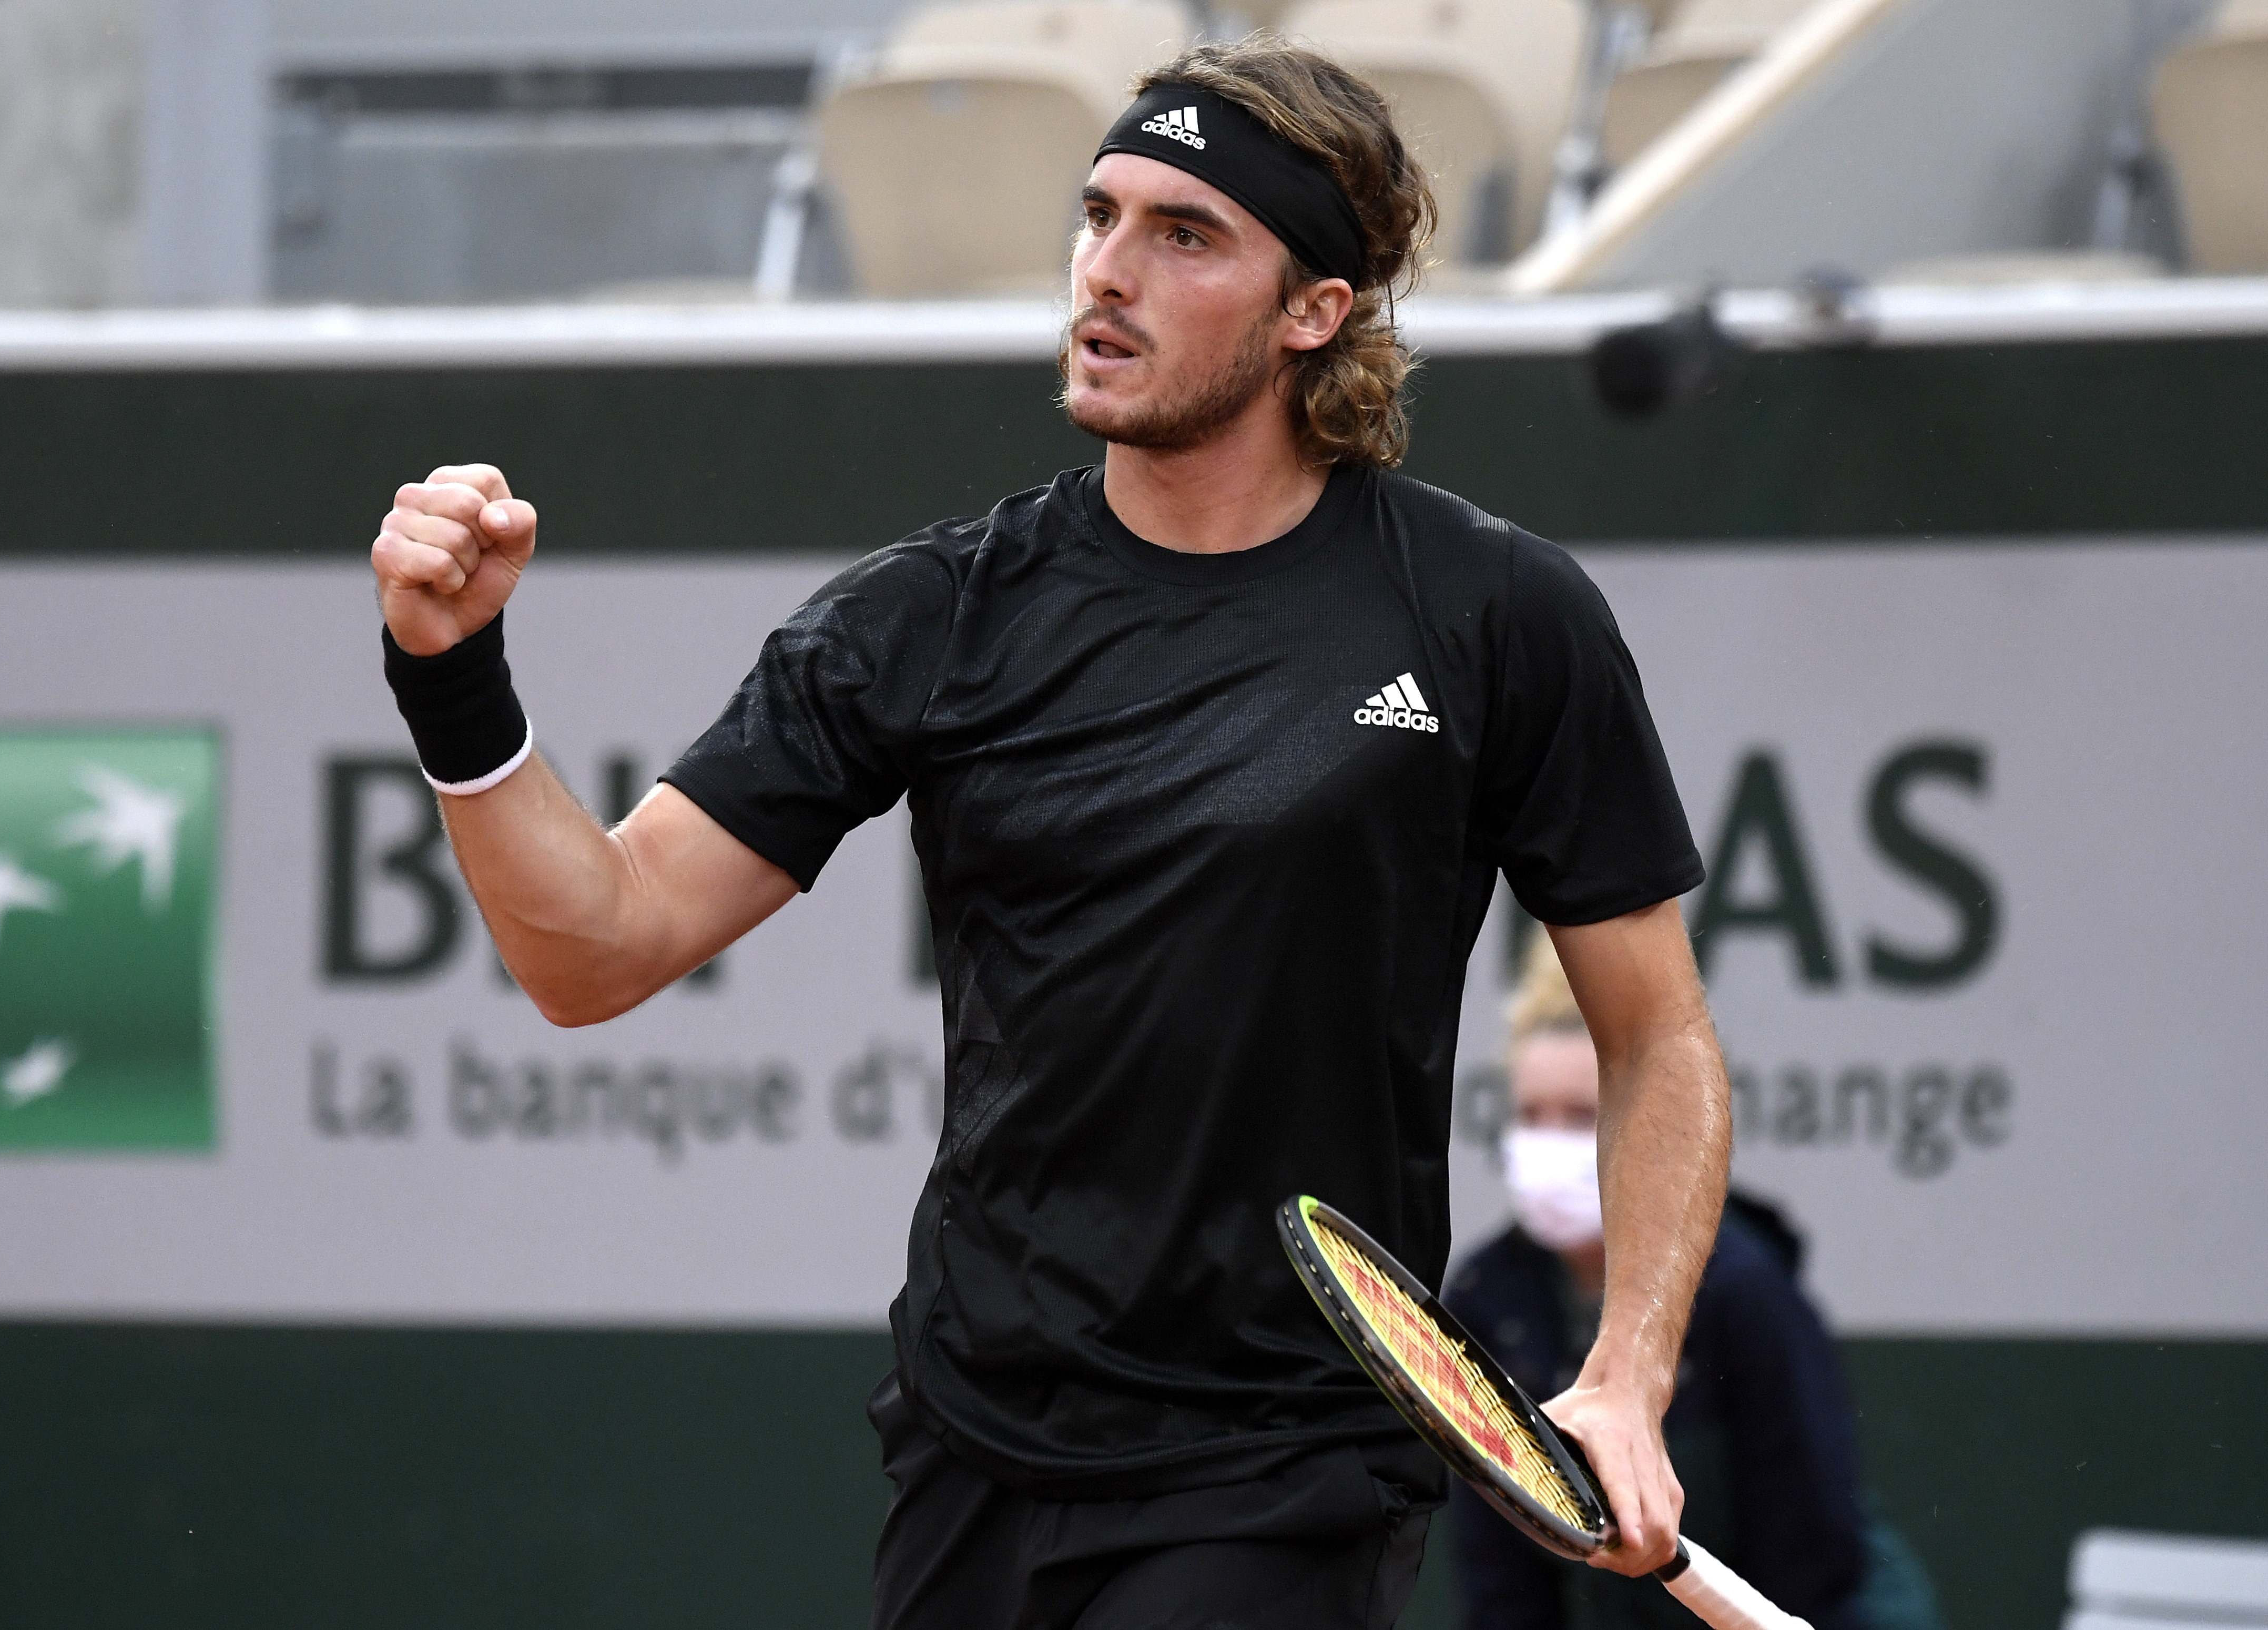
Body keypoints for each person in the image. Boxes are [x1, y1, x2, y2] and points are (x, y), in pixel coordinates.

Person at [368, 37, 1729, 1630]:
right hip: (975, 1442)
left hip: (1283, 1461)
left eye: (1186, 235)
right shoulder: (928, 620)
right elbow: (592, 951)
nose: (1108, 272)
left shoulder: (1498, 615)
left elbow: (1660, 1038)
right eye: (1100, 216)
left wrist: (1627, 1374)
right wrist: (453, 677)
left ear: (1317, 314)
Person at [1442, 931, 1941, 1629]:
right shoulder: (1487, 1299)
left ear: (1636, 1128)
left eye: (1583, 1118)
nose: (1549, 1143)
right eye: (1531, 1117)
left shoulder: (1746, 1291)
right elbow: (1502, 1593)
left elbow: (1810, 1557)